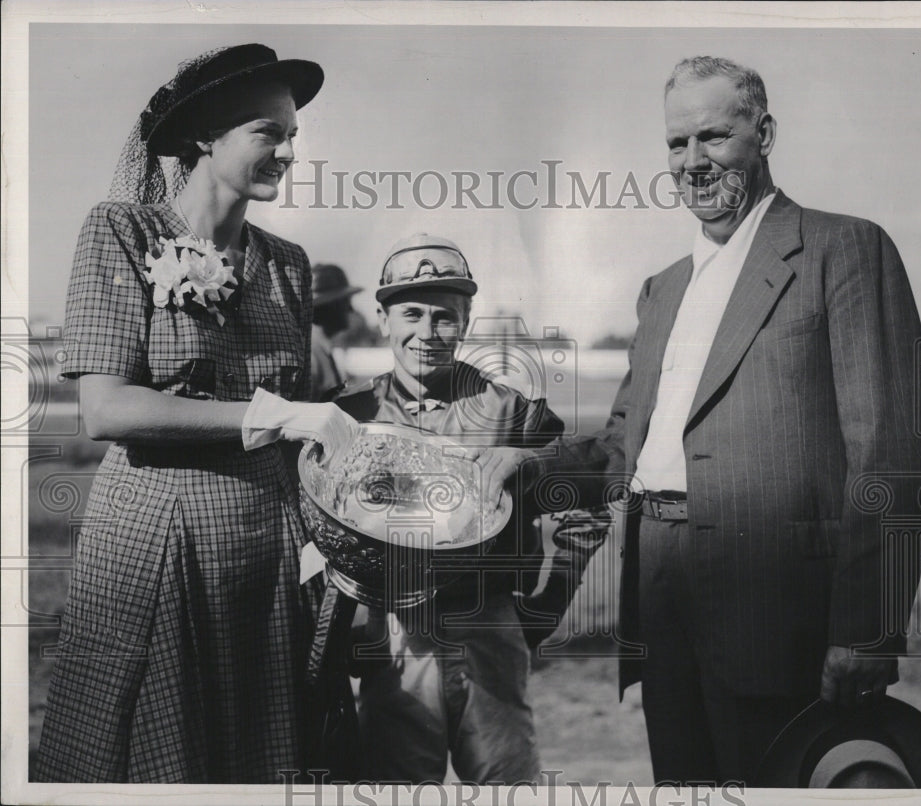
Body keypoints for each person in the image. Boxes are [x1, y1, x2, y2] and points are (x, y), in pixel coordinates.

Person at [471, 56, 921, 784]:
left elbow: (891, 451)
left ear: (765, 133)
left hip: (781, 613)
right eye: (676, 143)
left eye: (714, 137)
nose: (692, 161)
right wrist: (524, 470)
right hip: (662, 606)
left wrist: (868, 630)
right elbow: (624, 447)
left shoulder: (843, 248)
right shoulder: (663, 291)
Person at [34, 44, 357, 783]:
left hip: (266, 548)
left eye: (293, 136)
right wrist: (280, 415)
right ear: (206, 136)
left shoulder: (288, 264)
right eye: (267, 133)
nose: (286, 151)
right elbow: (106, 408)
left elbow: (312, 417)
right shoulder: (120, 232)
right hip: (158, 540)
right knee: (157, 753)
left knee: (256, 751)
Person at [329, 233, 564, 784]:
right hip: (395, 633)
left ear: (467, 318)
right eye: (411, 313)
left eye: (446, 316)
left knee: (507, 787)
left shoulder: (508, 407)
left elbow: (589, 486)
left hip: (489, 627)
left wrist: (551, 599)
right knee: (399, 787)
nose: (428, 333)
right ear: (383, 317)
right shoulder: (351, 412)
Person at [310, 263, 362, 401]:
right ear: (329, 306)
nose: (350, 310)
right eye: (346, 302)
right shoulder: (310, 355)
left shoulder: (320, 348)